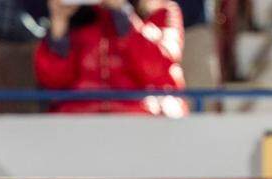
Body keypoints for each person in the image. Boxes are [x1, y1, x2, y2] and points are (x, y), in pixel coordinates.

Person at [34, 0, 187, 116]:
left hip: (145, 121)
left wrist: (123, 13)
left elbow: (156, 69)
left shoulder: (161, 9)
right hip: (78, 124)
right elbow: (52, 82)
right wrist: (59, 24)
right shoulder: (73, 12)